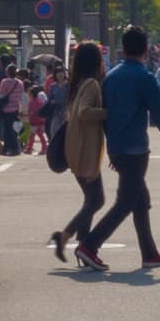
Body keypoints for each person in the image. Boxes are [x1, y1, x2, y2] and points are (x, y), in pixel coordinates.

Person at [74, 26, 160, 272]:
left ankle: (149, 253)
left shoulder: (112, 77)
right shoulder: (145, 77)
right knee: (126, 202)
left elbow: (106, 117)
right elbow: (159, 118)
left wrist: (112, 146)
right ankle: (89, 245)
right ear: (146, 50)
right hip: (136, 148)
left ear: (123, 49)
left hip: (117, 146)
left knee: (140, 200)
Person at [51, 42, 110, 264]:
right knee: (97, 200)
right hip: (84, 150)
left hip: (75, 147)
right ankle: (65, 237)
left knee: (91, 199)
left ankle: (84, 249)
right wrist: (108, 113)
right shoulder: (92, 85)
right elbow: (85, 113)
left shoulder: (78, 84)